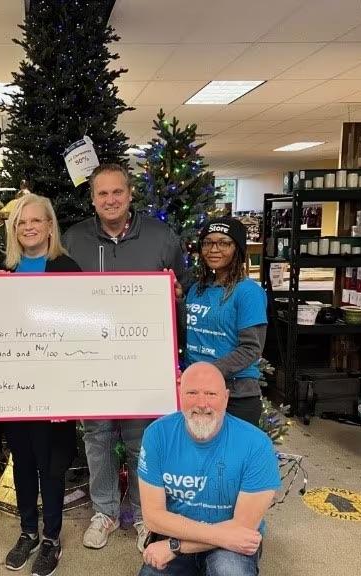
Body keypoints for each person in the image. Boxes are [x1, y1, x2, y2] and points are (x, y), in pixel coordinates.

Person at [62, 163, 186, 551]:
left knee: (140, 441)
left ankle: (144, 515)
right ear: (93, 198)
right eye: (102, 194)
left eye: (117, 192)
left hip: (141, 363)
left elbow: (181, 290)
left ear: (130, 194)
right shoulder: (73, 239)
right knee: (97, 437)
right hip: (91, 359)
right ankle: (105, 511)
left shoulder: (161, 237)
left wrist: (177, 293)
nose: (110, 200)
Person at [0, 194, 80, 576]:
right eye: (21, 222)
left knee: (52, 465)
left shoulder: (66, 268)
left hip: (55, 383)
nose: (28, 227)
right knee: (22, 461)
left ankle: (52, 538)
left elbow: (80, 325)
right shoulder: (1, 268)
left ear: (49, 225)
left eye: (36, 221)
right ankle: (28, 531)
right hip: (13, 383)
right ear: (14, 229)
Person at [137, 362, 280, 576]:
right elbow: (153, 517)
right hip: (198, 535)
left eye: (211, 394)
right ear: (180, 394)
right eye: (192, 393)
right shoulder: (157, 435)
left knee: (230, 572)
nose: (202, 403)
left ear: (226, 397)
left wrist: (175, 546)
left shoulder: (256, 444)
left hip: (224, 545)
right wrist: (218, 536)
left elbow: (243, 528)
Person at [184, 217, 267, 426]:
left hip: (236, 396)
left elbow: (250, 349)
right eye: (208, 242)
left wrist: (207, 373)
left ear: (237, 249)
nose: (214, 249)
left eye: (223, 243)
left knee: (231, 459)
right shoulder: (197, 289)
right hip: (197, 394)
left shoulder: (248, 292)